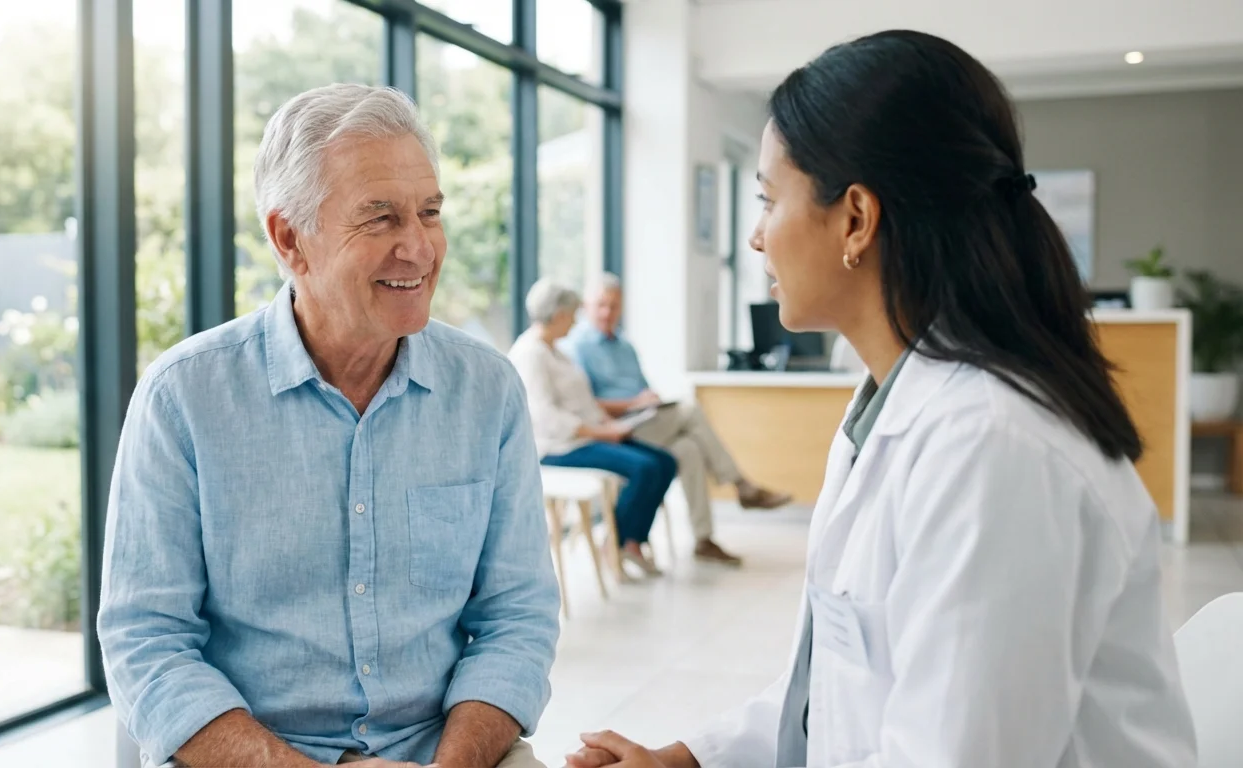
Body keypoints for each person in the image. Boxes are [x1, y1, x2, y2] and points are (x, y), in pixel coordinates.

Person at [566, 30, 1196, 768]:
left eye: (769, 200)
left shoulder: (993, 447)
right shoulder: (892, 408)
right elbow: (838, 684)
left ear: (856, 219)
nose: (756, 237)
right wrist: (690, 758)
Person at [98, 84, 560, 768]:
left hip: (438, 751)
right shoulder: (183, 396)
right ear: (289, 238)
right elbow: (147, 641)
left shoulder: (487, 390)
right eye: (380, 219)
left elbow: (516, 619)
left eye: (429, 214)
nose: (418, 248)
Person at [563, 274, 792, 566]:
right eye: (601, 305)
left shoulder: (624, 346)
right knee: (689, 410)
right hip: (615, 430)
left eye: (613, 306)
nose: (607, 312)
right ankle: (741, 486)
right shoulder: (577, 347)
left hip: (644, 420)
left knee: (689, 450)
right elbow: (588, 405)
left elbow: (641, 388)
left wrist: (649, 399)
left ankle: (703, 539)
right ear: (586, 306)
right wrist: (634, 403)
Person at [509, 279, 677, 578]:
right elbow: (545, 416)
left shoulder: (558, 352)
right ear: (558, 314)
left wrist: (611, 424)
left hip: (587, 437)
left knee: (666, 462)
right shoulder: (530, 354)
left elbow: (583, 402)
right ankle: (616, 543)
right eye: (572, 314)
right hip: (558, 448)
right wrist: (602, 433)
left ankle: (630, 540)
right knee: (645, 469)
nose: (575, 320)